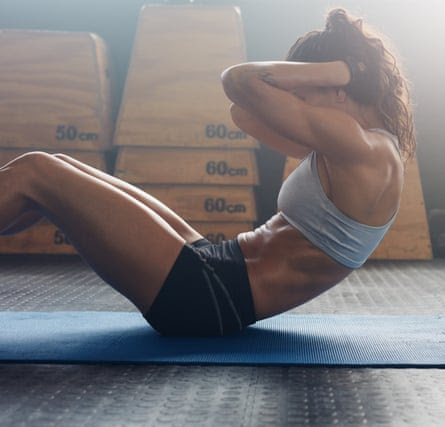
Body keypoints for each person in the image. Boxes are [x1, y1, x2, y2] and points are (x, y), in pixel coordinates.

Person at [0, 8, 415, 336]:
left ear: (338, 88)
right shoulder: (355, 148)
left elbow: (237, 81)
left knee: (36, 171)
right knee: (61, 168)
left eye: (307, 92)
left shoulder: (357, 144)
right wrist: (324, 79)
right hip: (217, 271)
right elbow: (244, 113)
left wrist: (335, 69)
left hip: (208, 294)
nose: (299, 99)